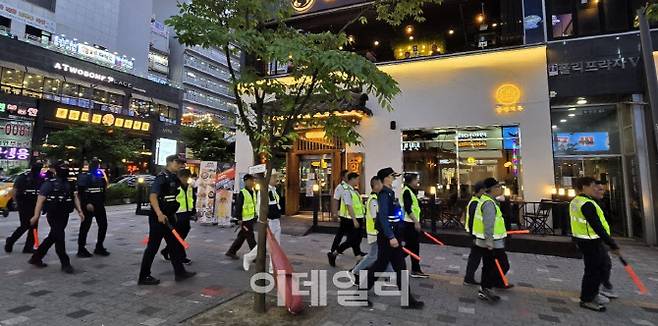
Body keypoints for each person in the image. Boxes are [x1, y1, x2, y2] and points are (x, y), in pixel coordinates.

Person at [362, 167, 423, 309]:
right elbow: (383, 217)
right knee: (381, 266)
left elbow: (393, 216)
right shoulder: (384, 194)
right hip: (387, 237)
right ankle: (361, 293)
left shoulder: (389, 193)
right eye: (392, 176)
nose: (394, 178)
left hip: (392, 235)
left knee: (398, 267)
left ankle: (407, 300)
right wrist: (391, 236)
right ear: (385, 178)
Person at [138, 155, 196, 285]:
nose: (180, 165)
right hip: (158, 219)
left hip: (169, 218)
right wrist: (159, 213)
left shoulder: (174, 177)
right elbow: (153, 196)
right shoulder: (161, 177)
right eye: (178, 162)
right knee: (152, 247)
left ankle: (180, 273)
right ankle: (144, 276)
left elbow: (177, 194)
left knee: (174, 245)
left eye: (181, 163)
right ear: (170, 162)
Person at [570, 177, 621, 312]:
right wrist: (612, 244)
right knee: (593, 271)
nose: (596, 189)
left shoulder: (578, 201)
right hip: (590, 241)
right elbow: (597, 226)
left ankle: (593, 294)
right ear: (584, 187)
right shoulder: (586, 204)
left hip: (585, 240)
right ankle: (587, 298)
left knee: (598, 268)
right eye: (593, 186)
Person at [28, 160, 84, 274]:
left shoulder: (69, 183)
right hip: (53, 214)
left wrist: (80, 211)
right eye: (62, 167)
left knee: (53, 236)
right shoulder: (49, 183)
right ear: (56, 169)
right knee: (59, 236)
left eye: (66, 167)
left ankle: (36, 257)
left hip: (64, 214)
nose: (65, 169)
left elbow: (75, 197)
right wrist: (36, 215)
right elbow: (40, 200)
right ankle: (65, 263)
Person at [472, 177, 511, 303]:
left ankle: (485, 288)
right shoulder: (489, 203)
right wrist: (489, 241)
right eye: (498, 187)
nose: (500, 189)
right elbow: (488, 223)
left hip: (487, 241)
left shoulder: (487, 200)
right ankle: (488, 286)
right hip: (491, 242)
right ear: (492, 189)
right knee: (502, 264)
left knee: (488, 265)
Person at [350, 176, 392, 282]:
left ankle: (390, 275)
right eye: (381, 184)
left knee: (382, 255)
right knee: (373, 256)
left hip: (376, 232)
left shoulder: (376, 198)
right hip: (375, 233)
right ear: (376, 185)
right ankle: (355, 271)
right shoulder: (374, 200)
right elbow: (375, 218)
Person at [243, 170, 282, 272]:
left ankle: (272, 267)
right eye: (274, 177)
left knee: (275, 246)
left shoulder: (274, 190)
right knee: (264, 245)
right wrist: (264, 221)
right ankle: (248, 257)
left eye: (276, 177)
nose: (276, 179)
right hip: (268, 222)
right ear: (268, 178)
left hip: (276, 221)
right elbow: (259, 207)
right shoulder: (264, 191)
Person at [5, 161, 45, 254]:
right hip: (24, 204)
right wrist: (15, 202)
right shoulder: (23, 177)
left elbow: (43, 192)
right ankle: (10, 241)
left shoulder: (40, 178)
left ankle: (29, 246)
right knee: (25, 225)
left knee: (34, 227)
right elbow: (14, 190)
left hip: (35, 204)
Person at [327, 172, 365, 267]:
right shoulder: (344, 189)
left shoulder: (354, 190)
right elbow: (347, 205)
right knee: (350, 239)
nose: (358, 181)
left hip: (356, 218)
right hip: (349, 219)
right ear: (351, 179)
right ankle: (334, 253)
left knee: (355, 239)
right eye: (356, 179)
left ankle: (357, 257)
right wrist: (335, 213)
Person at [76, 158, 110, 258]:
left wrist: (103, 201)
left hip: (99, 204)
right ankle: (81, 249)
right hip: (89, 205)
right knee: (85, 227)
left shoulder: (100, 176)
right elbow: (81, 192)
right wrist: (86, 203)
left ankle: (99, 246)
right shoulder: (85, 176)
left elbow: (103, 190)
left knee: (103, 225)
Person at [161, 169, 196, 265]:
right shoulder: (174, 186)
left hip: (186, 213)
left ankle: (166, 250)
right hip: (177, 214)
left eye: (188, 177)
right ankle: (181, 257)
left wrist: (193, 211)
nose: (187, 179)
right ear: (180, 177)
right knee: (178, 236)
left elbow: (192, 198)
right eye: (186, 177)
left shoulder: (189, 186)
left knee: (183, 233)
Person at [594, 180, 618, 300]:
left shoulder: (601, 203)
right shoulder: (591, 204)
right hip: (595, 239)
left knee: (604, 263)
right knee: (601, 264)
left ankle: (604, 286)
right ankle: (601, 288)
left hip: (601, 238)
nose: (601, 191)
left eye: (602, 189)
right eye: (598, 189)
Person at [401, 173, 428, 278]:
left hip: (411, 223)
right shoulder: (407, 191)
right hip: (409, 224)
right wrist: (416, 222)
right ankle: (393, 261)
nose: (417, 182)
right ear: (411, 181)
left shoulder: (411, 191)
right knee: (411, 247)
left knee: (413, 248)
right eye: (416, 180)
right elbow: (408, 209)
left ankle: (416, 269)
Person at [225, 174, 258, 259]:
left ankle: (231, 251)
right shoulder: (243, 193)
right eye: (249, 181)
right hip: (245, 220)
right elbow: (238, 206)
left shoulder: (253, 191)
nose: (252, 182)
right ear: (246, 182)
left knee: (242, 236)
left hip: (251, 218)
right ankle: (255, 256)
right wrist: (239, 219)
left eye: (252, 181)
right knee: (250, 236)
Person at [463, 181, 485, 286]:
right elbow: (473, 221)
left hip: (477, 234)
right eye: (484, 190)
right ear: (480, 190)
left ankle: (469, 277)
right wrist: (474, 235)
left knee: (475, 256)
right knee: (475, 257)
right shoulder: (475, 203)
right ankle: (469, 278)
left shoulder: (475, 201)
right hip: (477, 235)